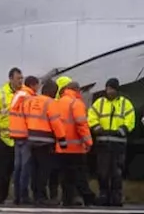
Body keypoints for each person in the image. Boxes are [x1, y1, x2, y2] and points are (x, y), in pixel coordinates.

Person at [88, 78, 136, 207]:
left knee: (117, 171)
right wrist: (96, 127)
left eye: (112, 89)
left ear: (116, 89)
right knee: (102, 171)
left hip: (118, 143)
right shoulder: (100, 103)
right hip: (103, 143)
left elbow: (130, 119)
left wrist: (123, 129)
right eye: (108, 88)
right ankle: (103, 195)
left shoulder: (125, 104)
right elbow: (91, 116)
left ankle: (116, 196)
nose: (109, 91)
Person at [51, 77, 97, 207]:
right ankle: (88, 198)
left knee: (66, 176)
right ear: (77, 90)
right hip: (76, 148)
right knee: (80, 175)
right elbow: (81, 124)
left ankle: (67, 200)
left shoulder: (58, 103)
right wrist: (89, 142)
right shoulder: (76, 103)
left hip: (61, 146)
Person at [0, 67, 24, 204]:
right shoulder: (1, 93)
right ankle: (0, 196)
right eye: (18, 78)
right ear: (10, 79)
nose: (20, 81)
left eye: (21, 78)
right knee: (3, 171)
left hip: (20, 139)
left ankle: (19, 197)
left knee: (21, 171)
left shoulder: (25, 92)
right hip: (4, 139)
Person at [26, 78, 60, 205]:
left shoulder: (33, 100)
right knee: (44, 170)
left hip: (31, 139)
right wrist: (61, 139)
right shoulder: (51, 103)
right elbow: (56, 123)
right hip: (45, 141)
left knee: (34, 169)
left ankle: (35, 195)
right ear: (52, 92)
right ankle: (42, 196)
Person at [7, 75, 39, 204]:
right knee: (25, 167)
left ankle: (16, 196)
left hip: (16, 135)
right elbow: (31, 117)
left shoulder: (18, 95)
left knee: (18, 167)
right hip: (25, 135)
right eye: (37, 85)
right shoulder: (29, 97)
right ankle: (24, 196)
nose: (38, 88)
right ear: (33, 85)